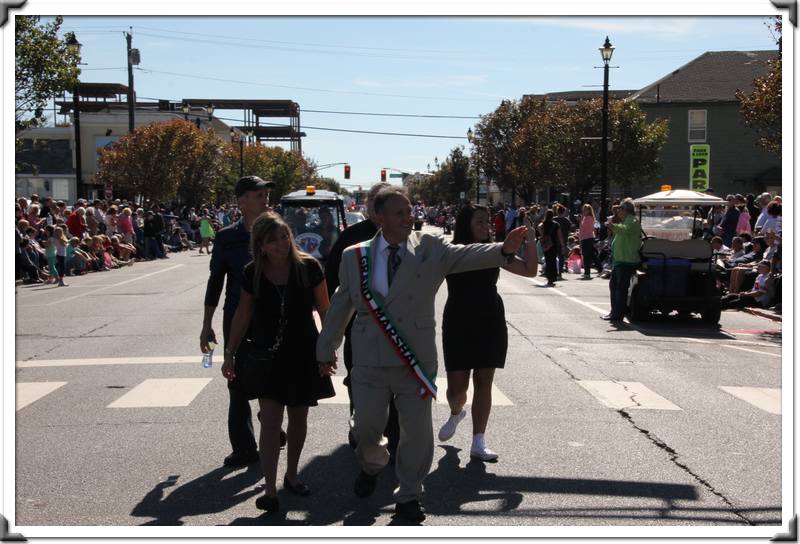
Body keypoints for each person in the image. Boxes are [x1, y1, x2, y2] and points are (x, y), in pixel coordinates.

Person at [316, 186, 527, 522]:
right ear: (379, 217)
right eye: (399, 213)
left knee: (416, 432)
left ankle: (410, 493)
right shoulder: (354, 256)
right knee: (367, 427)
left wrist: (502, 248)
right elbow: (341, 305)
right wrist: (325, 348)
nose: (407, 218)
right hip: (370, 359)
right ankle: (372, 464)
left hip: (413, 358)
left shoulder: (430, 248)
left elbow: (465, 255)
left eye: (409, 211)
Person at [222, 212, 335, 513]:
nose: (281, 244)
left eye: (284, 236)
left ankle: (293, 475)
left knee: (298, 419)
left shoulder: (309, 267)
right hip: (266, 356)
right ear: (260, 246)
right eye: (273, 241)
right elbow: (243, 314)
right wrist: (229, 352)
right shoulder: (252, 272)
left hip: (303, 352)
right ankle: (270, 490)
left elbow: (326, 311)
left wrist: (328, 350)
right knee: (270, 422)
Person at [438, 204, 538, 462]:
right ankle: (456, 411)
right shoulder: (451, 252)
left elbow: (530, 270)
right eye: (480, 222)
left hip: (489, 318)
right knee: (456, 390)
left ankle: (478, 440)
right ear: (466, 224)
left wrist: (531, 241)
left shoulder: (497, 252)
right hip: (458, 319)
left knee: (484, 380)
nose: (487, 226)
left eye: (488, 222)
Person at [201, 175, 286, 469]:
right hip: (236, 315)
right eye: (258, 194)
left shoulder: (279, 232)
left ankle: (271, 421)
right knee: (235, 381)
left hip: (273, 316)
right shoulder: (226, 237)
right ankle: (244, 448)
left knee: (274, 376)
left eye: (265, 193)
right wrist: (206, 323)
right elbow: (215, 283)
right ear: (242, 201)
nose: (265, 198)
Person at [323, 183, 400, 457]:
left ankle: (394, 437)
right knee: (359, 381)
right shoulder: (351, 238)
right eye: (375, 201)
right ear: (368, 204)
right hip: (361, 327)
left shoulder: (403, 236)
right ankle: (363, 432)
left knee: (397, 384)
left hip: (397, 330)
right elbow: (333, 281)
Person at [601, 198, 642, 323]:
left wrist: (612, 226)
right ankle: (615, 311)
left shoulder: (633, 221)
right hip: (620, 260)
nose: (618, 211)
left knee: (620, 288)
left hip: (626, 261)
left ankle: (618, 314)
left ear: (625, 210)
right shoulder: (627, 220)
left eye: (620, 208)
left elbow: (625, 230)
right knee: (615, 286)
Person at [537, 209, 560, 286]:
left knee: (547, 260)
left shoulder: (543, 223)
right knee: (553, 260)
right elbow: (559, 235)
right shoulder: (556, 224)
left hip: (546, 244)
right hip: (554, 244)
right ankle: (553, 277)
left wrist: (542, 235)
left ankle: (549, 276)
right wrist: (563, 245)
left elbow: (538, 227)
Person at [578, 204, 597, 280]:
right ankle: (597, 269)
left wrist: (581, 219)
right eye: (584, 209)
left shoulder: (588, 218)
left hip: (587, 238)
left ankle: (587, 273)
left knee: (586, 256)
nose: (584, 211)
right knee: (590, 255)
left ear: (589, 210)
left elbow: (583, 228)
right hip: (586, 238)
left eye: (586, 209)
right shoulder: (587, 218)